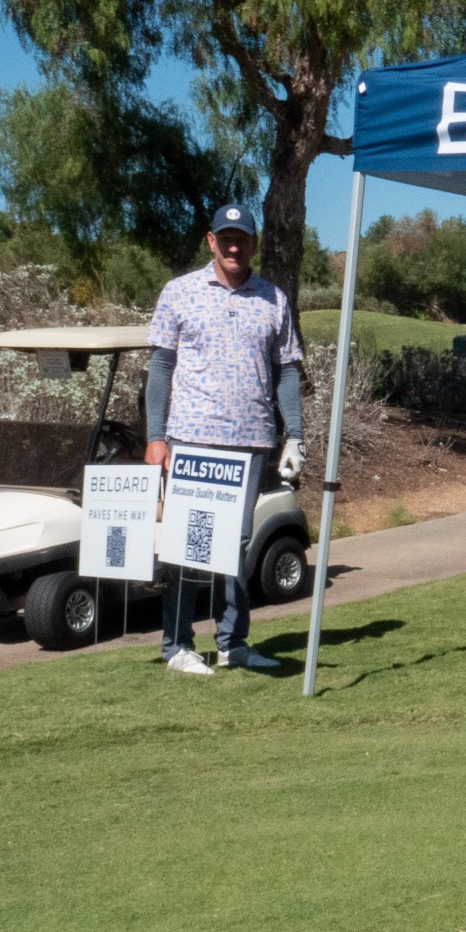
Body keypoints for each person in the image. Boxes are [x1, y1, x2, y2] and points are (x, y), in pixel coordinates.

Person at [144, 201, 304, 676]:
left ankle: (233, 642)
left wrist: (295, 435)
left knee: (235, 542)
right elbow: (160, 368)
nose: (234, 247)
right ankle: (177, 645)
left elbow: (287, 370)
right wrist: (155, 437)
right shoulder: (179, 292)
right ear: (211, 241)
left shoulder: (273, 298)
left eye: (243, 239)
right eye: (227, 238)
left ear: (254, 244)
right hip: (192, 437)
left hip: (252, 439)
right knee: (190, 541)